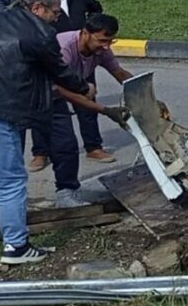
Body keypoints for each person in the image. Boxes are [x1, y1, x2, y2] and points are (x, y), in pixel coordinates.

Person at [0, 0, 94, 265]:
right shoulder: (39, 33)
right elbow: (60, 71)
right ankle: (16, 247)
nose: (58, 18)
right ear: (37, 7)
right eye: (54, 12)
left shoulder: (1, 19)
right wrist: (84, 87)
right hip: (6, 111)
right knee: (11, 180)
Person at [29, 0, 113, 171]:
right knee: (46, 105)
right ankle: (40, 152)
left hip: (84, 53)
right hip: (53, 59)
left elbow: (97, 9)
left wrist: (93, 33)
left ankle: (93, 146)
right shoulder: (38, 0)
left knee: (87, 100)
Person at [49, 14, 133, 208]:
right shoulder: (64, 48)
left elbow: (119, 73)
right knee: (51, 140)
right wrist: (106, 110)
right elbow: (63, 90)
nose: (106, 46)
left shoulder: (102, 49)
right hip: (46, 91)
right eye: (102, 41)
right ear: (85, 33)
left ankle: (66, 192)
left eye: (110, 41)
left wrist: (146, 95)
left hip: (75, 84)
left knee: (66, 145)